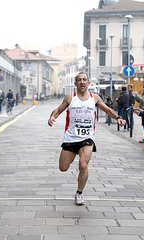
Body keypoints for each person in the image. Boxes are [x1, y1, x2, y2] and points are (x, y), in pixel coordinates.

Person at [48, 72, 126, 206]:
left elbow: (107, 110)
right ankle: (73, 155)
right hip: (71, 137)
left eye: (84, 80)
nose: (82, 82)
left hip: (87, 137)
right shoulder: (70, 98)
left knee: (83, 165)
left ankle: (79, 193)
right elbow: (58, 110)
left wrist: (118, 118)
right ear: (75, 84)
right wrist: (52, 117)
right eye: (79, 80)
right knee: (63, 167)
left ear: (88, 83)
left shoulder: (94, 98)